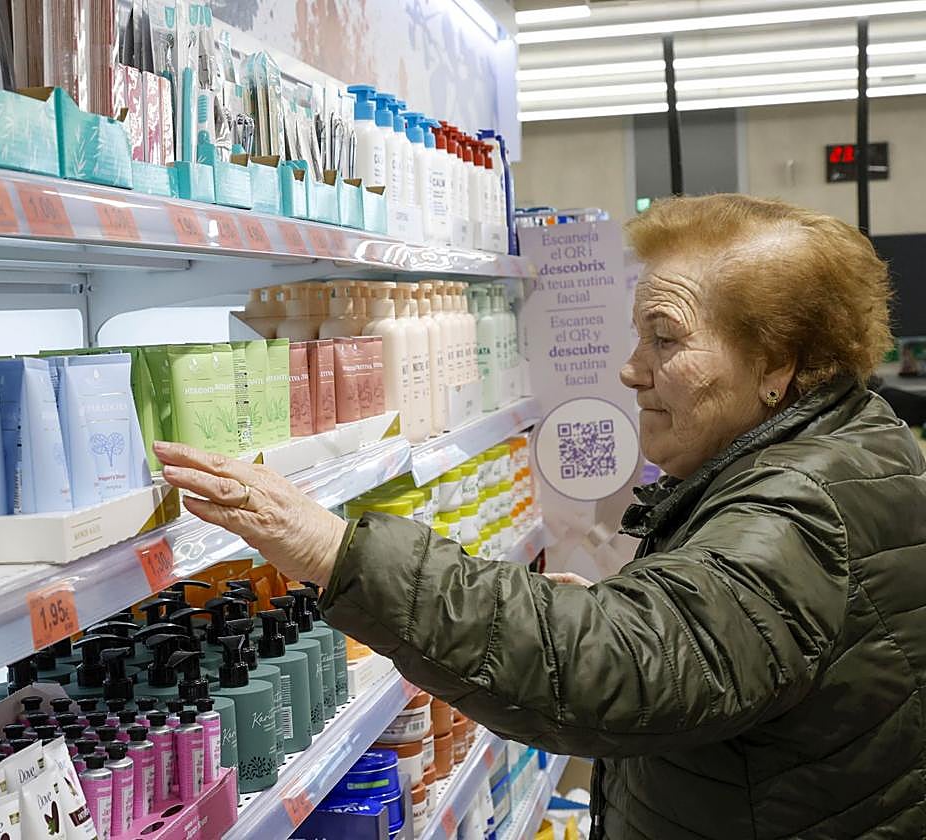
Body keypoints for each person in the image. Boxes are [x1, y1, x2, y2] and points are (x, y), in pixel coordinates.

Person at [155, 194, 926, 838]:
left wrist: (331, 547)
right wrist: (632, 605)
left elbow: (620, 670)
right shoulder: (853, 445)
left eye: (666, 338)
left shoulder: (800, 508)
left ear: (780, 363)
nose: (630, 369)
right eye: (637, 336)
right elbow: (725, 638)